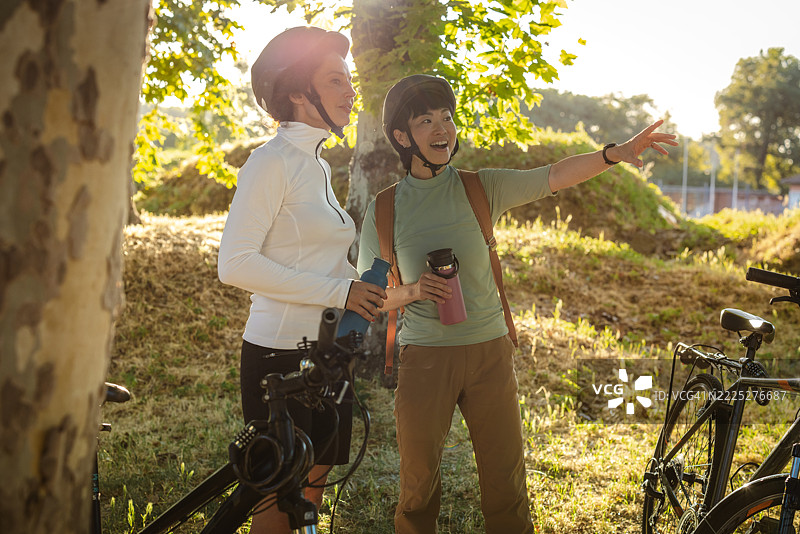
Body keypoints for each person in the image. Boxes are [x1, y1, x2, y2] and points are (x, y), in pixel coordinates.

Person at [356, 74, 678, 534]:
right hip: (425, 357)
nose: (441, 128)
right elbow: (371, 295)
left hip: (489, 352)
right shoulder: (384, 209)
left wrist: (613, 154)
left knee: (506, 484)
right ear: (403, 137)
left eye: (446, 117)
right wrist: (414, 290)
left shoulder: (480, 187)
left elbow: (553, 176)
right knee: (417, 488)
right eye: (425, 120)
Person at [217, 26, 386, 534]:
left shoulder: (315, 165)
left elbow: (315, 260)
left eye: (348, 80)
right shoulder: (270, 163)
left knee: (315, 477)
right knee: (278, 493)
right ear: (297, 93)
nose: (350, 91)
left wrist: (374, 282)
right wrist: (343, 290)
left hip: (327, 352)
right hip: (279, 357)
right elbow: (236, 264)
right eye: (335, 80)